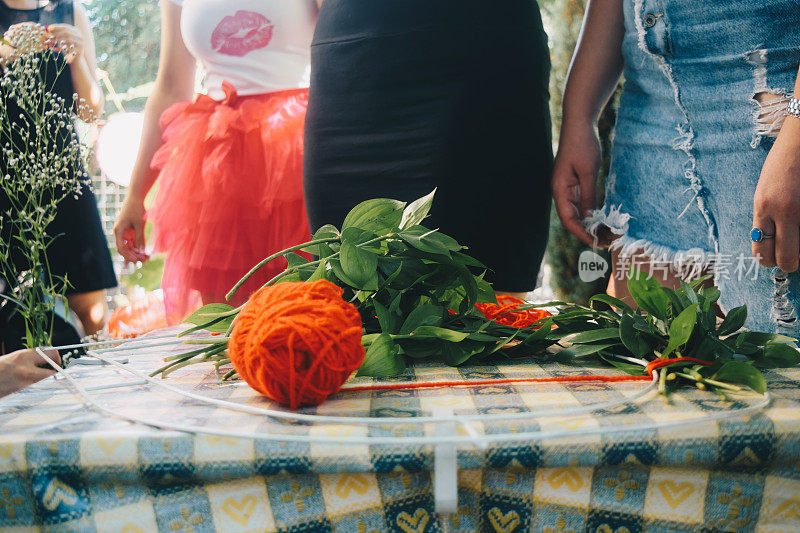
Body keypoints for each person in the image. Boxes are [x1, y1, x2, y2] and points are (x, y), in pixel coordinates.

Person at [553, 0, 800, 334]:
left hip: (769, 111)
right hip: (650, 116)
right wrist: (579, 118)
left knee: (778, 370)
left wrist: (796, 141)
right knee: (643, 363)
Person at [303, 0, 554, 298]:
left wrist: (582, 120)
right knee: (350, 304)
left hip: (482, 60)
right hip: (352, 65)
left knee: (486, 314)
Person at [115, 0, 321, 321]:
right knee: (230, 324)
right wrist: (135, 195)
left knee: (310, 308)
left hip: (301, 152)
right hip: (218, 166)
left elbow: (348, 51)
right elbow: (171, 85)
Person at [0, 0, 113, 342]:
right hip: (6, 178)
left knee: (90, 304)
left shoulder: (70, 11)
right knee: (11, 304)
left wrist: (77, 57)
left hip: (63, 175)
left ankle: (99, 381)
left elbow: (92, 112)